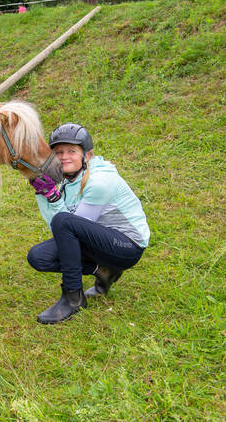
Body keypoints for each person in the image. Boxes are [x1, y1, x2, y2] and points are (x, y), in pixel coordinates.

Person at [26, 123, 149, 324]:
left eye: (72, 151)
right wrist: (43, 194)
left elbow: (68, 224)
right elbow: (59, 228)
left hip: (127, 246)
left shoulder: (100, 182)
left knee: (65, 223)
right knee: (38, 257)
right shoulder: (69, 179)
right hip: (99, 241)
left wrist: (54, 198)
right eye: (58, 152)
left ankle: (73, 298)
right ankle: (104, 271)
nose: (64, 157)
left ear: (87, 155)